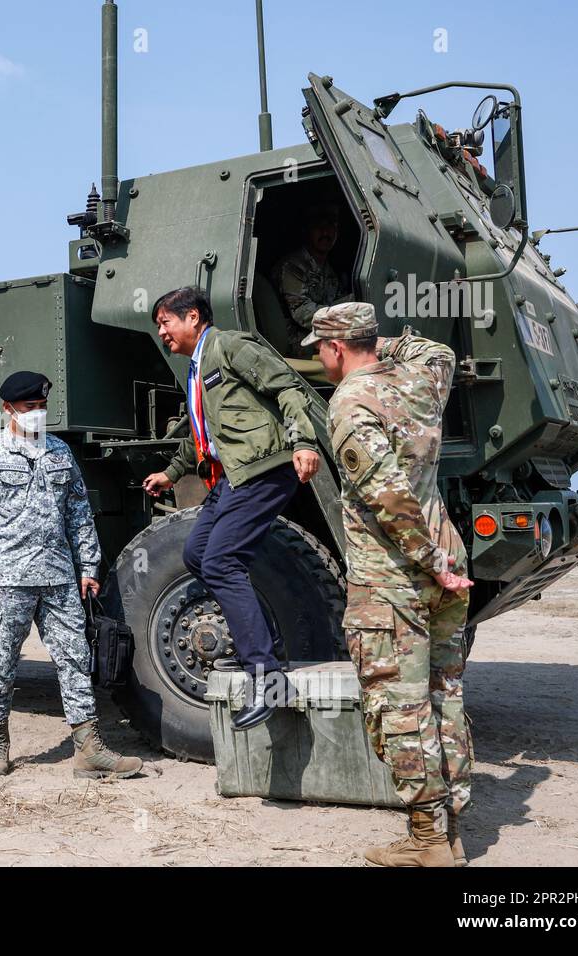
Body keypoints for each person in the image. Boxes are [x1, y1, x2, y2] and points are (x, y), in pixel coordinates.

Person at [308, 302, 473, 867]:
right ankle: (450, 830)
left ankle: (427, 841)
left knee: (400, 707)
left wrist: (431, 562)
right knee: (443, 696)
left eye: (321, 351)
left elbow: (390, 499)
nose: (322, 361)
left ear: (336, 349)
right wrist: (444, 564)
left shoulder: (350, 404)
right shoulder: (423, 377)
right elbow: (439, 349)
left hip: (396, 578)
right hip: (446, 559)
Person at [141, 287, 320, 730]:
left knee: (221, 561)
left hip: (263, 469)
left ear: (195, 317)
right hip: (230, 477)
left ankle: (268, 677)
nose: (161, 331)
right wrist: (171, 471)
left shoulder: (231, 346)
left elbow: (287, 388)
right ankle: (264, 639)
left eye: (166, 321)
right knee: (198, 554)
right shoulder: (197, 369)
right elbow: (202, 434)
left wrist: (303, 442)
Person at [0, 370, 142, 780]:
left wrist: (89, 566)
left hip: (59, 576)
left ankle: (88, 748)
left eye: (42, 407)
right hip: (10, 579)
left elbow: (78, 513)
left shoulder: (60, 452)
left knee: (75, 659)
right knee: (3, 662)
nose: (38, 414)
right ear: (8, 409)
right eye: (29, 408)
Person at [269, 200, 352, 357]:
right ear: (307, 230)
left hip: (319, 335)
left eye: (331, 226)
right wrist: (345, 318)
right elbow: (302, 313)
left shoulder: (331, 272)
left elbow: (336, 303)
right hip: (294, 342)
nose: (325, 232)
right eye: (318, 227)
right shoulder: (292, 266)